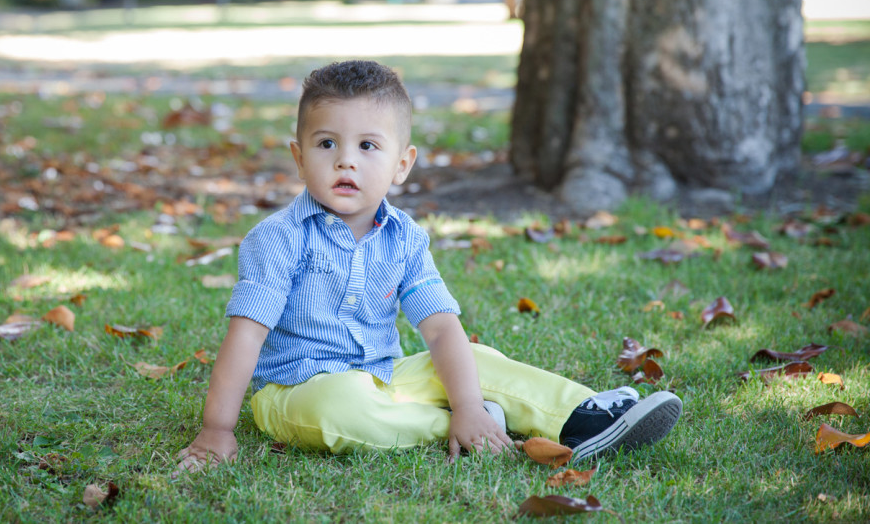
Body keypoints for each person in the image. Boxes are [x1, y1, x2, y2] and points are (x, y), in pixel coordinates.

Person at [176, 60, 681, 472]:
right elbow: (246, 337)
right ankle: (475, 425)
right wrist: (217, 431)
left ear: (402, 163)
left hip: (384, 374)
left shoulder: (405, 238)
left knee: (478, 359)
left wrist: (462, 396)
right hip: (296, 392)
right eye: (326, 143)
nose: (345, 161)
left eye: (367, 146)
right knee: (341, 408)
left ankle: (588, 415)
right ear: (299, 156)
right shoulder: (278, 239)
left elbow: (439, 329)